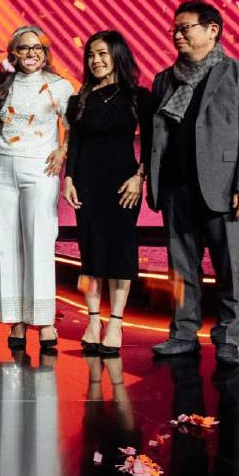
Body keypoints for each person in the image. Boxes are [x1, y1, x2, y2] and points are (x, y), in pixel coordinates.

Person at [147, 0, 239, 366]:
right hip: (175, 187)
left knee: (230, 267)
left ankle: (228, 336)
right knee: (181, 269)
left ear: (212, 30)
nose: (178, 35)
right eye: (175, 30)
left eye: (185, 28)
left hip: (223, 187)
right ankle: (183, 333)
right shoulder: (164, 79)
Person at [63, 31, 152, 357]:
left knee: (120, 254)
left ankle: (115, 322)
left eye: (102, 54)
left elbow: (152, 143)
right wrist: (69, 178)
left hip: (122, 185)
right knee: (91, 255)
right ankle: (93, 321)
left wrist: (139, 178)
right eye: (91, 55)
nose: (96, 61)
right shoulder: (80, 98)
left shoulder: (138, 97)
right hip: (87, 184)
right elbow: (75, 143)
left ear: (117, 55)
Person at [0, 25, 73, 352]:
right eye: (24, 49)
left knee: (39, 240)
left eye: (37, 48)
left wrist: (63, 151)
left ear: (46, 52)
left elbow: (73, 126)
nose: (31, 54)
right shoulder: (3, 85)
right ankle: (17, 320)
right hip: (1, 169)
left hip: (40, 168)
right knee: (6, 243)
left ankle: (45, 320)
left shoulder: (58, 85)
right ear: (13, 53)